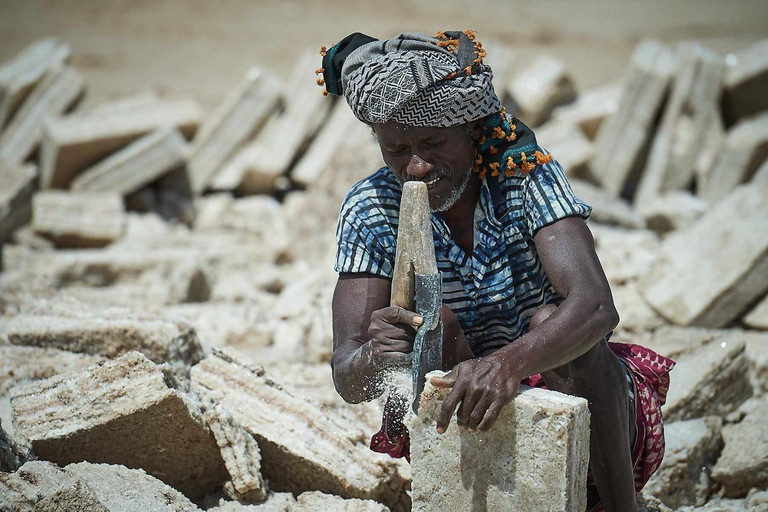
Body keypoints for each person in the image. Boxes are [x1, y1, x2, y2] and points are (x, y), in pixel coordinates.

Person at [320, 30, 675, 512]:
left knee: (552, 322)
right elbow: (347, 378)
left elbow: (594, 305)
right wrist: (374, 355)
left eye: (434, 143)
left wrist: (506, 364)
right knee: (433, 325)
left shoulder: (522, 173)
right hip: (460, 419)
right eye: (397, 150)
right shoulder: (371, 208)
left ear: (470, 130)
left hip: (575, 399)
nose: (418, 167)